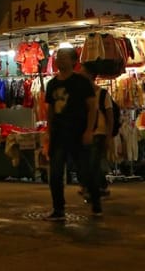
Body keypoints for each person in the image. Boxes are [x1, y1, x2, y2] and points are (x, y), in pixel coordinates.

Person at [44, 47, 102, 220]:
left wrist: (89, 131)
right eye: (57, 57)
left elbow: (92, 107)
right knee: (55, 173)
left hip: (78, 132)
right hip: (58, 134)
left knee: (85, 171)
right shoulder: (52, 84)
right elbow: (50, 111)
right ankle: (58, 209)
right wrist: (48, 131)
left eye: (63, 57)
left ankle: (96, 202)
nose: (59, 60)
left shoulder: (81, 82)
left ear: (73, 61)